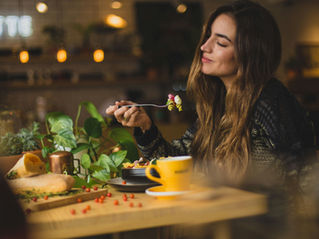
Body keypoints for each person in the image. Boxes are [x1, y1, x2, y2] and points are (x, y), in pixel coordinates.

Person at [106, 0, 316, 199]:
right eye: (208, 37)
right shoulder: (219, 102)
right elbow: (181, 160)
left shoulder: (270, 101)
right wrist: (145, 127)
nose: (204, 47)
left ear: (249, 54)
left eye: (221, 43)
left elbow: (300, 180)